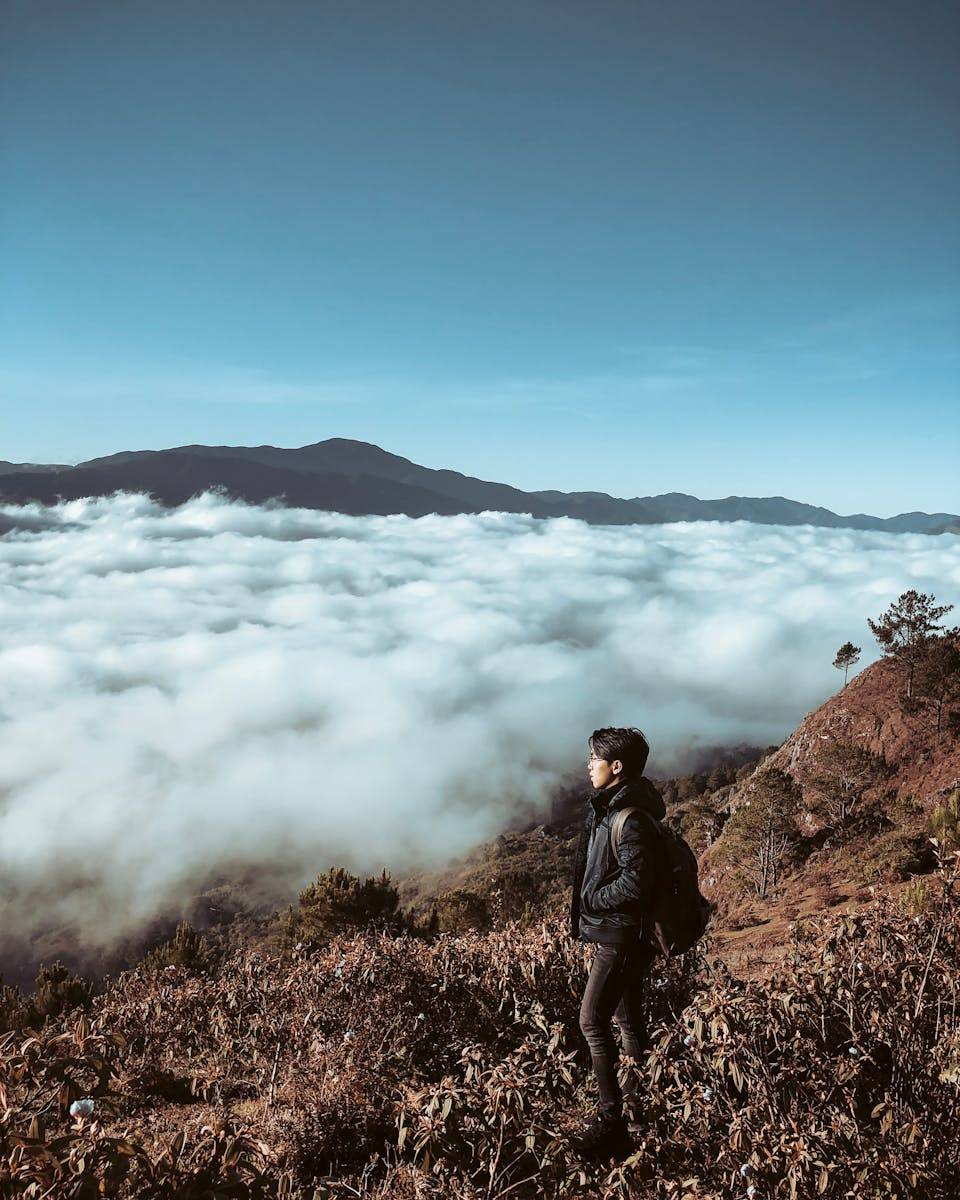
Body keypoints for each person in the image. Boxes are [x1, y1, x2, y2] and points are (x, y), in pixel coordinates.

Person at [569, 726, 664, 1156]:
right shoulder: (616, 809)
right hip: (622, 933)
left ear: (617, 766)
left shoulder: (630, 818)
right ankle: (640, 1109)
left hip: (622, 937)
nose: (589, 765)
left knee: (592, 1020)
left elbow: (638, 880)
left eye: (595, 758)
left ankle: (612, 1121)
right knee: (627, 1022)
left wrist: (593, 898)